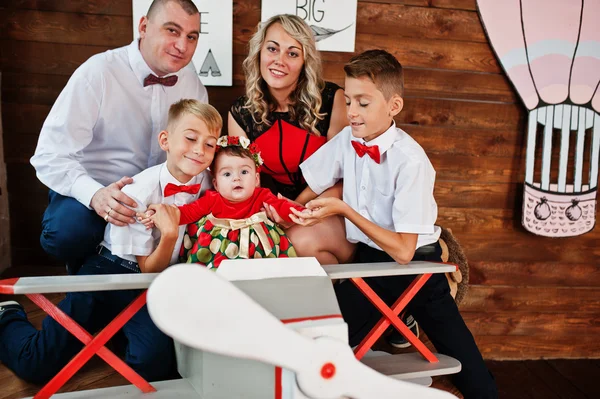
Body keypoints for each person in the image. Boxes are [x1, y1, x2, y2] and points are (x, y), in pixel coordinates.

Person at [293, 50, 498, 398]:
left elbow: (404, 251)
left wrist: (343, 209)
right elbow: (313, 183)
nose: (352, 112)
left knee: (469, 367)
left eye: (363, 102)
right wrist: (290, 213)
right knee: (326, 341)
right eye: (347, 100)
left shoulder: (411, 161)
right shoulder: (347, 138)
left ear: (393, 106)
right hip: (369, 261)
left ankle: (411, 324)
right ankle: (399, 327)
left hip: (416, 267)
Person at [0, 100, 221, 384]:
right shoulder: (139, 190)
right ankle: (7, 317)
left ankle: (114, 329)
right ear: (165, 140)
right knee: (37, 364)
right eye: (191, 138)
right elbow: (147, 269)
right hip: (110, 272)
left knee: (154, 366)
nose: (199, 150)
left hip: (153, 283)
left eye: (210, 144)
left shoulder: (207, 181)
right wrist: (167, 234)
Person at [30, 0, 208, 273]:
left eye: (191, 36)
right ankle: (85, 279)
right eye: (172, 31)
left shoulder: (192, 83)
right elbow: (50, 155)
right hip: (95, 191)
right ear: (144, 27)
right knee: (66, 232)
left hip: (156, 199)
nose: (182, 46)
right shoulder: (98, 72)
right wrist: (95, 195)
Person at [228, 13, 354, 266]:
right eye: (272, 49)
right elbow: (241, 180)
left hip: (327, 211)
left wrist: (295, 209)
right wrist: (274, 212)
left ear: (305, 60)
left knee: (295, 243)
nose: (279, 61)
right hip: (268, 213)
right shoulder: (240, 112)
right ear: (259, 53)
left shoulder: (332, 99)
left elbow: (345, 177)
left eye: (292, 53)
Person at [143, 136, 305, 269]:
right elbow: (185, 212)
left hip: (258, 255)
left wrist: (300, 212)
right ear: (216, 183)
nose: (236, 178)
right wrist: (159, 214)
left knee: (271, 272)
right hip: (218, 252)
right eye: (227, 174)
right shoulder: (212, 199)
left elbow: (281, 207)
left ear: (256, 179)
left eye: (244, 172)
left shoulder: (262, 195)